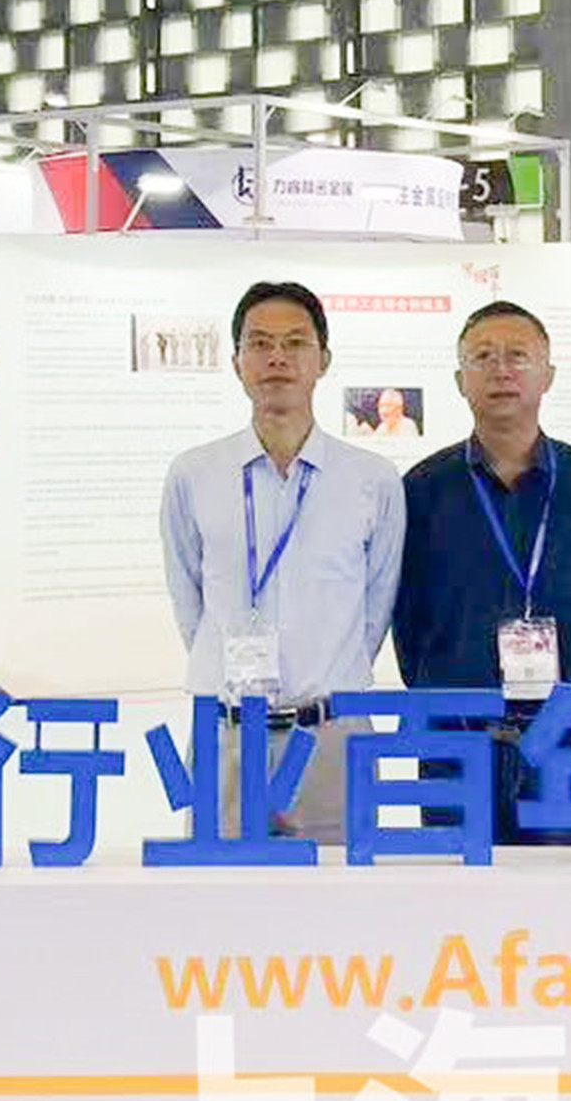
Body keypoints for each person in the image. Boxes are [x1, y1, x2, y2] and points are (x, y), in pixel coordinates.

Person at [159, 279, 405, 842]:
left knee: (338, 891)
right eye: (259, 343)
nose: (277, 357)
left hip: (331, 734)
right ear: (236, 362)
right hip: (225, 733)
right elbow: (188, 597)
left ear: (323, 359)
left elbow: (377, 606)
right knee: (219, 889)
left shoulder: (371, 479)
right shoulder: (194, 473)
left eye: (295, 343)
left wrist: (327, 676)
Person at [390, 301, 571, 840]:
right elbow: (407, 617)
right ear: (460, 380)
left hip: (569, 739)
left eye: (517, 356)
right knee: (457, 887)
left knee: (566, 886)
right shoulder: (423, 489)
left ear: (548, 375)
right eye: (483, 357)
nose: (501, 369)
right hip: (457, 739)